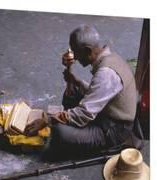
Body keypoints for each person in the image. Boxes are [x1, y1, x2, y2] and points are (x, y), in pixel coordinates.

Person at [24, 25, 142, 157]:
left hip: (114, 129)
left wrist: (47, 120)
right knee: (74, 89)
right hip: (107, 112)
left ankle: (104, 143)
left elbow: (85, 114)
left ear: (87, 50)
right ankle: (77, 128)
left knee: (58, 132)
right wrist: (73, 78)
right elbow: (97, 93)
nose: (75, 57)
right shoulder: (110, 57)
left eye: (76, 52)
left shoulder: (106, 74)